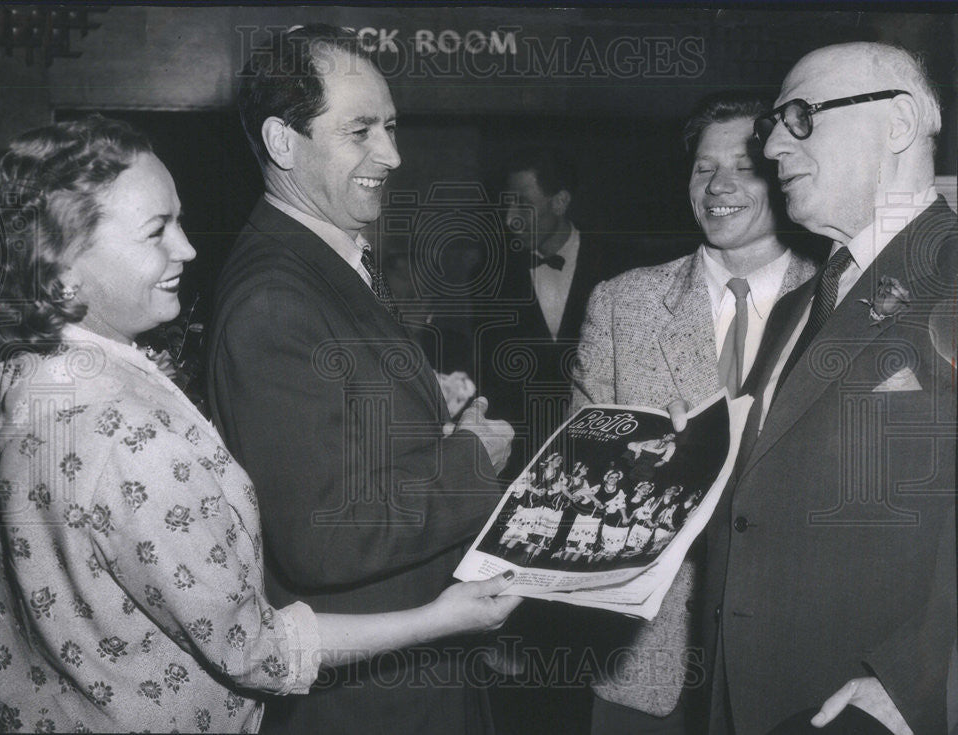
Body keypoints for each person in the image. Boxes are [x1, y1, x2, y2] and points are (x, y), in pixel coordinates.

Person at [0, 116, 522, 734]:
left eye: (178, 220)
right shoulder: (127, 435)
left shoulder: (4, 378)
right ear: (60, 270)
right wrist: (443, 618)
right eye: (156, 232)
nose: (188, 249)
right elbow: (257, 651)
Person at [207, 25, 515, 735]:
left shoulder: (321, 257)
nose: (393, 154)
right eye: (361, 131)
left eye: (392, 127)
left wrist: (419, 404)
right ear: (284, 144)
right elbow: (324, 533)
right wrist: (472, 456)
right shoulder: (274, 300)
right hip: (372, 705)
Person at [702, 42, 956, 734]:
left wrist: (913, 684)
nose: (774, 145)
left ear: (899, 124)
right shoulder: (800, 306)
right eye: (772, 125)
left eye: (801, 116)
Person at [572, 91, 817, 733]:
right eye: (704, 168)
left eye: (744, 166)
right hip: (646, 670)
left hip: (794, 667)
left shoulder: (838, 302)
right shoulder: (624, 304)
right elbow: (573, 483)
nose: (719, 186)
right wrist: (643, 461)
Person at [478, 146, 629, 481]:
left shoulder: (619, 267)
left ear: (560, 202)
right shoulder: (489, 277)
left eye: (523, 204)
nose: (509, 218)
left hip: (599, 459)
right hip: (519, 466)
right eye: (507, 203)